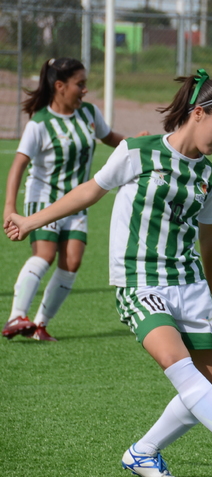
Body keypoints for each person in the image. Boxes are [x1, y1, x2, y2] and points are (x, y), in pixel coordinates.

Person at [4, 69, 212, 477]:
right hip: (140, 282)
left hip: (192, 285)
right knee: (179, 367)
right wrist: (32, 220)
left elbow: (208, 240)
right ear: (198, 113)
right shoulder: (137, 151)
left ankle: (142, 452)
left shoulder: (209, 176)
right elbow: (89, 190)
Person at [2, 57, 147, 341]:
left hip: (76, 202)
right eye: (80, 84)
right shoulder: (40, 123)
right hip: (43, 198)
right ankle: (16, 316)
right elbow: (18, 164)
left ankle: (39, 325)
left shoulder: (89, 114)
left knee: (72, 261)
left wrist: (134, 142)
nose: (85, 90)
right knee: (44, 254)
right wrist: (10, 207)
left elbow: (109, 138)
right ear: (60, 86)